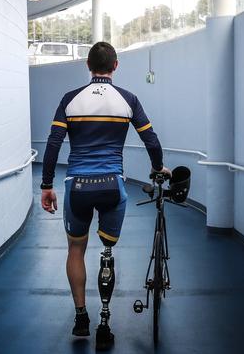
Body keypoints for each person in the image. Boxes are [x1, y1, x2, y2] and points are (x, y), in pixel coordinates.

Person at [39, 42, 170, 349]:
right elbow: (151, 139)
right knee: (107, 253)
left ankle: (81, 316)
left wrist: (46, 185)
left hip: (77, 188)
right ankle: (105, 324)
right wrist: (158, 167)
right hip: (112, 185)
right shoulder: (128, 99)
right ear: (116, 66)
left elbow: (54, 143)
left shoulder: (70, 100)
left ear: (88, 65)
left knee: (75, 250)